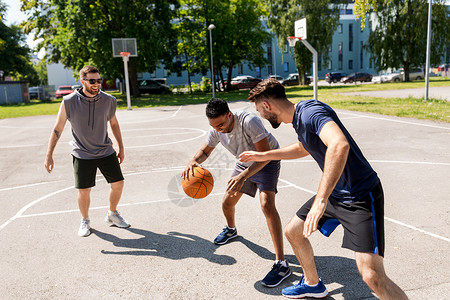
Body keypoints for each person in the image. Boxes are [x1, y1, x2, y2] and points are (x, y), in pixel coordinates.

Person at [239, 78, 409, 300]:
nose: (260, 115)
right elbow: (304, 147)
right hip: (336, 193)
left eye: (259, 109)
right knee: (293, 231)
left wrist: (321, 200)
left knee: (372, 276)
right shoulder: (299, 121)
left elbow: (339, 144)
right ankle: (312, 284)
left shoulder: (310, 112)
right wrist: (264, 155)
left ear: (267, 106)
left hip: (360, 196)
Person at [182, 98, 291, 287]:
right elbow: (205, 151)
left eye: (221, 124)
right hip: (245, 162)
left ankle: (281, 263)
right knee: (227, 202)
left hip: (268, 159)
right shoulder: (217, 129)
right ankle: (231, 230)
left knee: (267, 205)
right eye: (214, 126)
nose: (218, 129)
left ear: (229, 115)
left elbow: (264, 155)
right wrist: (194, 161)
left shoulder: (249, 121)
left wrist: (242, 177)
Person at [44, 65, 130, 237]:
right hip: (82, 153)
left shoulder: (109, 100)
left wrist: (121, 147)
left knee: (118, 183)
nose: (97, 84)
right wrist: (49, 155)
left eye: (98, 80)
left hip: (105, 150)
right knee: (84, 190)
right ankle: (85, 220)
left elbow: (114, 124)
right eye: (92, 81)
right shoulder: (69, 102)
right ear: (82, 81)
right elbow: (58, 128)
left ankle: (112, 214)